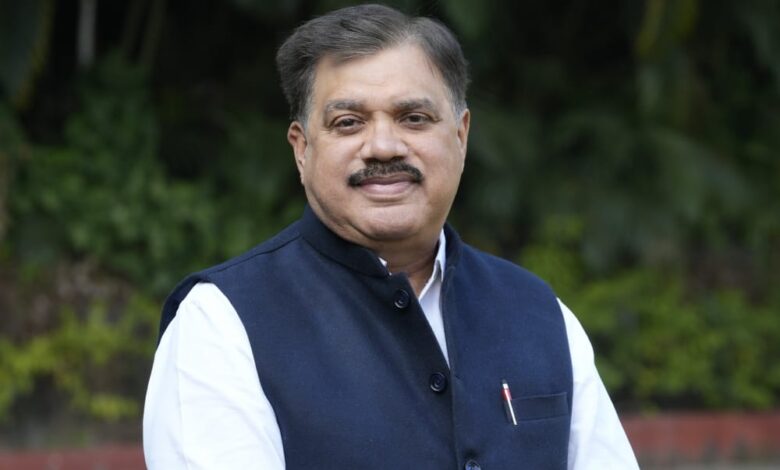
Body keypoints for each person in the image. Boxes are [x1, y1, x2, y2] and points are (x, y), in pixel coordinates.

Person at [143, 4, 639, 469]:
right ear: (301, 149)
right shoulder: (222, 325)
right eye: (348, 123)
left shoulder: (538, 314)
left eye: (414, 118)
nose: (383, 146)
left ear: (461, 136)